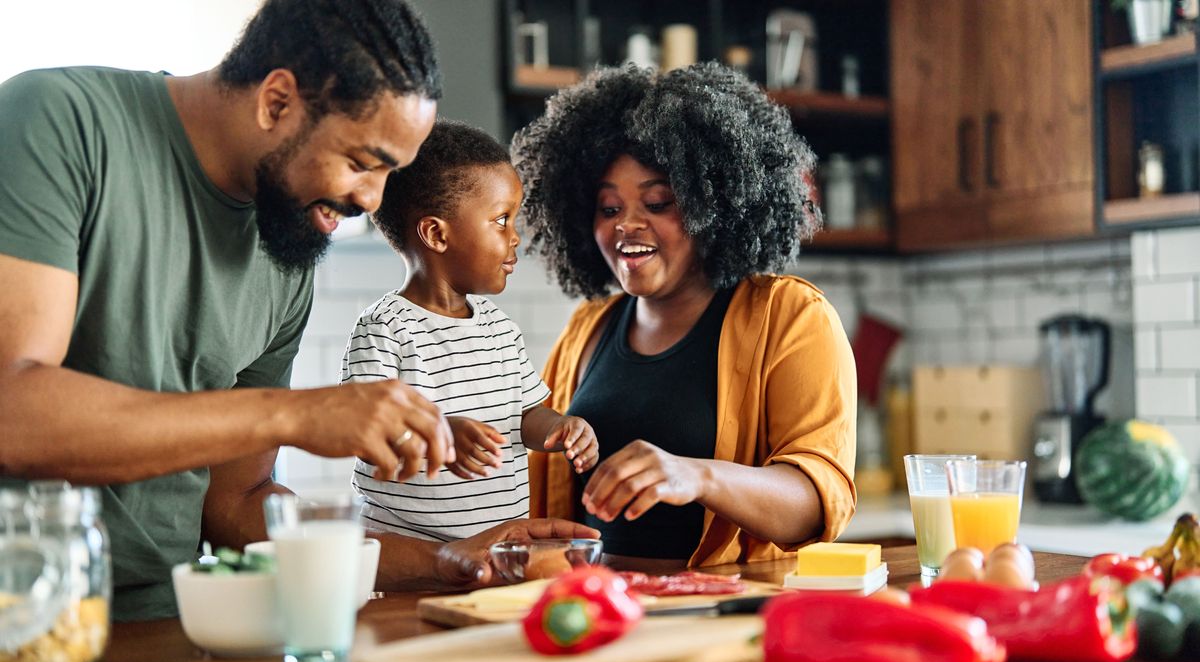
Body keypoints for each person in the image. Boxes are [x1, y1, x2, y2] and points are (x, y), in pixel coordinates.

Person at [0, 0, 593, 622]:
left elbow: (239, 509)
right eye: (362, 163)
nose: (371, 199)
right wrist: (296, 414)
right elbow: (13, 414)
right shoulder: (59, 122)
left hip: (166, 617)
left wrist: (447, 558)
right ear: (276, 101)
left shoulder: (286, 251)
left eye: (390, 173)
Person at [512, 63, 857, 570]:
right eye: (608, 208)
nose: (628, 224)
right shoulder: (585, 330)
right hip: (594, 617)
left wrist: (695, 476)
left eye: (657, 202)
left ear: (711, 204)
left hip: (718, 618)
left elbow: (817, 502)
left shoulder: (791, 317)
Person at [344, 120, 599, 542]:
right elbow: (363, 429)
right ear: (436, 234)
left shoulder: (500, 330)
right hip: (410, 561)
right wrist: (440, 436)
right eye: (501, 220)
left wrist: (559, 428)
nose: (515, 238)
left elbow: (524, 416)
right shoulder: (386, 329)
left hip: (499, 551)